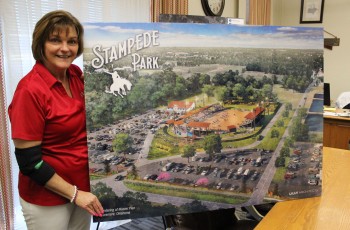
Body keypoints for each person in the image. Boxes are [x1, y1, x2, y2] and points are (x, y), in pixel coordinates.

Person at [8, 10, 104, 230]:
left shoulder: (76, 75)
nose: (65, 48)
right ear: (40, 44)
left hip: (84, 190)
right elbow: (30, 163)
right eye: (55, 40)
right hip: (48, 199)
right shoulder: (29, 91)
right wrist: (75, 194)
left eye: (71, 41)